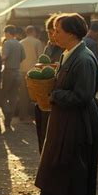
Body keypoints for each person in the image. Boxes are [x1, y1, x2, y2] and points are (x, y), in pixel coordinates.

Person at [35, 13, 98, 195]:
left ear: (72, 33)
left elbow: (82, 96)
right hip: (64, 121)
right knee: (62, 167)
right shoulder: (69, 53)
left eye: (58, 30)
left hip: (77, 124)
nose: (54, 34)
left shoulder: (84, 59)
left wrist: (55, 95)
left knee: (75, 170)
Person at [35, 14, 64, 154]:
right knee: (44, 135)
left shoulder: (67, 49)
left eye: (53, 32)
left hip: (57, 98)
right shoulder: (49, 46)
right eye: (50, 32)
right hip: (45, 97)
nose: (51, 35)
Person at [1, 25, 25, 128]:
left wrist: (0, 61)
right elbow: (23, 57)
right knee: (13, 97)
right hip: (18, 72)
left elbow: (4, 56)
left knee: (2, 96)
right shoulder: (19, 44)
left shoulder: (7, 43)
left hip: (8, 72)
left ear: (8, 33)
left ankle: (7, 113)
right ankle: (8, 120)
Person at [18, 25, 44, 121]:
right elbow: (41, 58)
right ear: (34, 32)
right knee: (34, 95)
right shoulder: (37, 42)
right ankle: (34, 115)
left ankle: (23, 115)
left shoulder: (20, 43)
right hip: (34, 72)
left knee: (23, 94)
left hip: (22, 71)